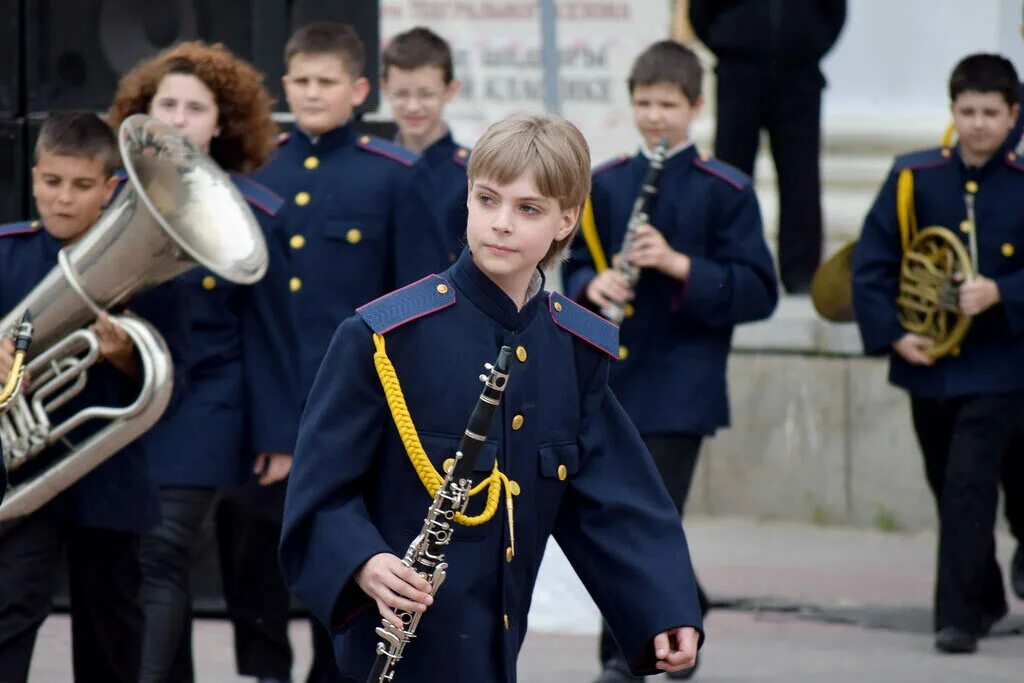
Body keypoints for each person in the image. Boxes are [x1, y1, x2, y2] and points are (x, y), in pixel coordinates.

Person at [279, 112, 704, 683]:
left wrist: (664, 607)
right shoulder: (383, 338)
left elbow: (615, 496)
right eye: (487, 200)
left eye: (528, 209)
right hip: (388, 656)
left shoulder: (574, 349)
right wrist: (365, 562)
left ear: (565, 220)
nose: (501, 223)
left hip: (497, 654)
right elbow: (319, 494)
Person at [563, 40, 778, 682]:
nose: (655, 116)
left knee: (639, 520)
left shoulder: (727, 189)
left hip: (684, 382)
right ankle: (685, 611)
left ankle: (622, 656)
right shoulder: (606, 181)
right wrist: (590, 287)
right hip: (616, 380)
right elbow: (570, 261)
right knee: (627, 518)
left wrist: (679, 264)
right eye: (644, 102)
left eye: (668, 104)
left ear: (696, 105)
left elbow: (758, 290)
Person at [249, 21, 443, 682]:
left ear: (359, 90)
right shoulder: (261, 166)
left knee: (339, 547)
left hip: (359, 401)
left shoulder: (396, 174)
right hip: (270, 397)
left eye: (326, 82)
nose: (310, 93)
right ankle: (267, 669)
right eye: (300, 81)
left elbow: (415, 301)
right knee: (261, 554)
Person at [106, 41, 301, 683]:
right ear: (145, 110)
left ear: (221, 123)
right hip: (129, 403)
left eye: (196, 107)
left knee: (161, 550)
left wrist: (277, 437)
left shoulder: (258, 212)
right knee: (135, 556)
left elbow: (272, 334)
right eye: (168, 104)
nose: (180, 118)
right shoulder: (112, 200)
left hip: (210, 402)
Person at [0, 112, 188, 682]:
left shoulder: (152, 275)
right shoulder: (5, 255)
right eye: (52, 182)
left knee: (112, 630)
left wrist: (128, 357)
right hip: (16, 480)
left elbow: (176, 388)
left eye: (82, 186)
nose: (63, 199)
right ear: (33, 178)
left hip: (108, 480)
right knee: (9, 612)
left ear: (111, 188)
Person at [852, 53, 1024, 654]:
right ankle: (987, 594)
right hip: (930, 364)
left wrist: (1001, 291)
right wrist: (895, 333)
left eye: (991, 113)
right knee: (946, 483)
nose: (978, 124)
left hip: (1003, 366)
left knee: (968, 486)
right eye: (967, 111)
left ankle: (956, 619)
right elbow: (873, 264)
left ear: (1012, 116)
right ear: (953, 112)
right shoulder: (913, 177)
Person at [689, 0, 846, 293]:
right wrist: (732, 43)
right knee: (730, 175)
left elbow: (834, 12)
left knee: (801, 177)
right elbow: (699, 12)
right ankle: (729, 264)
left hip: (800, 75)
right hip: (739, 74)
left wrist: (807, 43)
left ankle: (801, 272)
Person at [381, 26, 469, 264]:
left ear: (451, 90)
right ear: (384, 87)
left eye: (426, 94)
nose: (412, 106)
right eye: (401, 94)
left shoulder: (471, 174)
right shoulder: (371, 170)